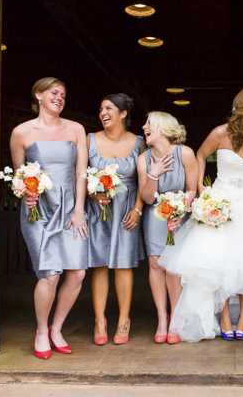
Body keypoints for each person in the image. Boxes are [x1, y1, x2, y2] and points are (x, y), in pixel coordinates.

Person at [159, 87, 243, 343]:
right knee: (222, 262)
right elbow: (200, 155)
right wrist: (200, 190)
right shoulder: (220, 132)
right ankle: (225, 317)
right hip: (222, 201)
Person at [9, 77, 88, 359]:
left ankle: (57, 328)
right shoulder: (21, 132)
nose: (60, 98)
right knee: (51, 275)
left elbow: (82, 172)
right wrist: (24, 195)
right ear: (39, 96)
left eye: (64, 95)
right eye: (54, 93)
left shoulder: (76, 129)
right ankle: (41, 330)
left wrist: (79, 209)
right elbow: (19, 176)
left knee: (77, 273)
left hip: (71, 208)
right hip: (38, 210)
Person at [87, 93, 145, 345]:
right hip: (97, 209)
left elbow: (145, 179)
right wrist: (93, 191)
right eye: (100, 109)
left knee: (123, 264)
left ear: (123, 113)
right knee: (99, 264)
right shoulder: (88, 140)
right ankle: (99, 320)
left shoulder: (139, 142)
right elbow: (79, 174)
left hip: (127, 209)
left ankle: (124, 319)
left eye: (108, 108)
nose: (102, 113)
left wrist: (138, 209)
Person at [136, 111, 198, 344]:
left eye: (148, 123)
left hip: (180, 214)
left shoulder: (186, 153)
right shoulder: (144, 159)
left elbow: (192, 189)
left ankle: (176, 319)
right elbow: (147, 198)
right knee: (155, 262)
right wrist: (154, 173)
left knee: (173, 265)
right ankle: (162, 318)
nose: (144, 127)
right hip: (155, 215)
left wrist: (180, 210)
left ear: (162, 128)